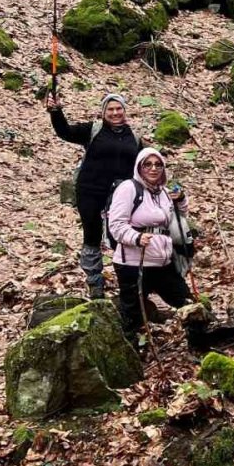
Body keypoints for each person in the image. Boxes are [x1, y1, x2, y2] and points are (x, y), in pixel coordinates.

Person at [47, 91, 142, 298]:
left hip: (120, 196)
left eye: (119, 109)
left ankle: (128, 285)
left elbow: (145, 166)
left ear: (125, 111)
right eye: (110, 109)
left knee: (119, 236)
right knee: (92, 235)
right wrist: (56, 111)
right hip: (90, 190)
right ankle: (95, 284)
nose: (115, 113)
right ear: (103, 112)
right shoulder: (93, 130)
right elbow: (64, 131)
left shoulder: (134, 137)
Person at [107, 148, 192, 340]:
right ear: (139, 167)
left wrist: (182, 200)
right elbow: (116, 224)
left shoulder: (163, 192)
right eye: (148, 164)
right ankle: (131, 355)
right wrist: (136, 238)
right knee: (132, 315)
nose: (153, 169)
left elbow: (180, 216)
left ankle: (202, 345)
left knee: (187, 303)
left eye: (158, 164)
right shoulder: (128, 189)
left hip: (162, 262)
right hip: (133, 264)